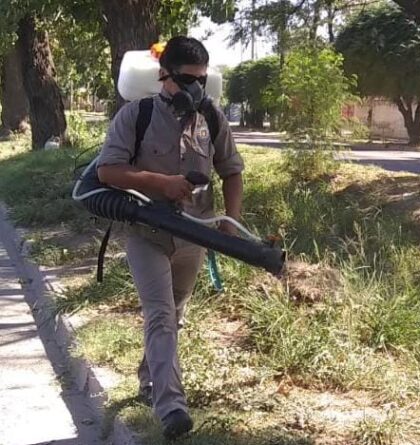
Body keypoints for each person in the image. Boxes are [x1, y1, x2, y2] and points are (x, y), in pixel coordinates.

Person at [96, 36, 244, 440]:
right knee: (160, 314)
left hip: (194, 235)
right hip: (147, 233)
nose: (195, 88)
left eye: (201, 80)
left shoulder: (211, 118)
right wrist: (161, 183)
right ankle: (172, 408)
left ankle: (149, 377)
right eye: (187, 79)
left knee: (174, 314)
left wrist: (231, 222)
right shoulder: (136, 115)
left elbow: (232, 171)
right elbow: (108, 170)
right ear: (165, 75)